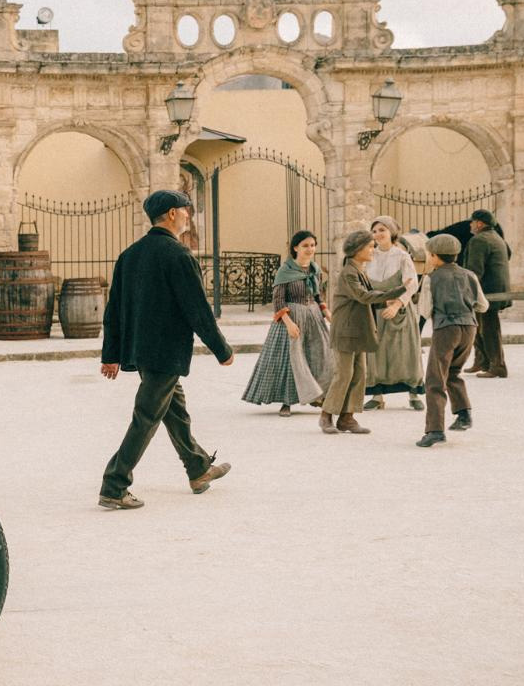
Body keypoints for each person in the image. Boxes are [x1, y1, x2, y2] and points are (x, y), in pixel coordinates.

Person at [97, 190, 234, 511]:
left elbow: (113, 309)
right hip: (167, 352)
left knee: (175, 411)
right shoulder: (179, 256)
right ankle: (114, 485)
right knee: (146, 417)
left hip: (141, 351)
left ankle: (198, 469)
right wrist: (221, 349)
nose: (189, 215)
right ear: (172, 213)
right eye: (186, 210)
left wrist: (111, 353)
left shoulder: (130, 255)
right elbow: (198, 310)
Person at [318, 229, 414, 435]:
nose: (373, 249)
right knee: (344, 374)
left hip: (358, 330)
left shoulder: (359, 270)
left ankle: (347, 417)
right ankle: (327, 415)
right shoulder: (349, 273)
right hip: (346, 331)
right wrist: (398, 290)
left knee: (360, 374)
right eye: (369, 246)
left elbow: (367, 301)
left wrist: (388, 302)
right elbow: (364, 297)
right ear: (357, 250)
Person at [242, 230, 333, 416]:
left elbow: (317, 295)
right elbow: (278, 300)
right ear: (295, 248)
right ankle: (286, 401)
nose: (310, 249)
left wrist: (325, 311)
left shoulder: (314, 269)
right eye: (305, 246)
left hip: (313, 317)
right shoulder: (285, 271)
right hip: (291, 318)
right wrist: (289, 323)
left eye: (313, 245)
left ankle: (317, 395)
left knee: (320, 355)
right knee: (290, 360)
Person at [415, 234, 489, 447]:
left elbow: (425, 310)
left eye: (429, 255)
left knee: (435, 378)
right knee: (454, 371)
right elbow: (482, 305)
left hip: (446, 328)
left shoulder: (431, 278)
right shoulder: (469, 275)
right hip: (469, 327)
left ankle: (434, 430)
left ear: (435, 257)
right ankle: (464, 414)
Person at [362, 216, 424, 411]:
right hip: (376, 311)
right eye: (374, 231)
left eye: (382, 230)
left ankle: (413, 393)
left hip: (400, 312)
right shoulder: (368, 256)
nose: (378, 234)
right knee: (376, 353)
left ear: (392, 232)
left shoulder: (402, 256)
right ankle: (377, 396)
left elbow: (412, 283)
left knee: (405, 352)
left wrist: (397, 304)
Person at [462, 208, 511, 378]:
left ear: (480, 224)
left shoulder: (479, 240)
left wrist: (466, 291)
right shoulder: (497, 238)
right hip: (497, 289)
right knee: (479, 326)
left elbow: (474, 270)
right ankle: (482, 361)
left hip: (485, 292)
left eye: (472, 221)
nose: (470, 224)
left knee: (488, 328)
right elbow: (508, 255)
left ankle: (498, 366)